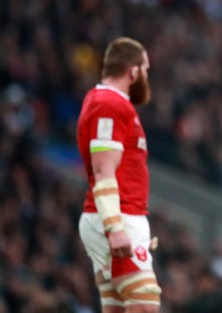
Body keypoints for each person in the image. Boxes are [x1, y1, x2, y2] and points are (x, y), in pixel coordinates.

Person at [77, 37, 162, 312]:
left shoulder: (108, 103)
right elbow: (103, 171)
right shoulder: (109, 105)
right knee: (145, 303)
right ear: (134, 71)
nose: (146, 77)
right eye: (146, 70)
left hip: (124, 217)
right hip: (118, 218)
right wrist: (115, 227)